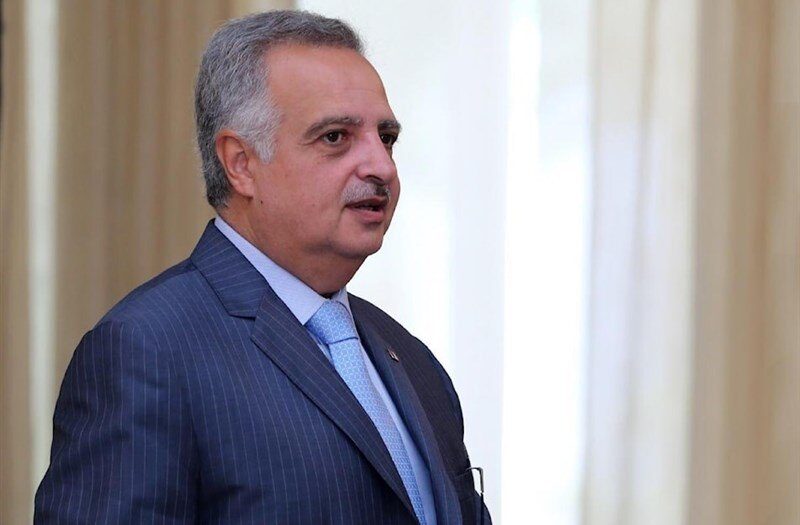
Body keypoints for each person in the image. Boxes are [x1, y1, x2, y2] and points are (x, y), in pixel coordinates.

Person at [34, 10, 490, 525]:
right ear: (241, 163)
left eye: (385, 138)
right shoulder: (148, 350)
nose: (381, 166)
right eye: (335, 137)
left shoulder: (410, 357)